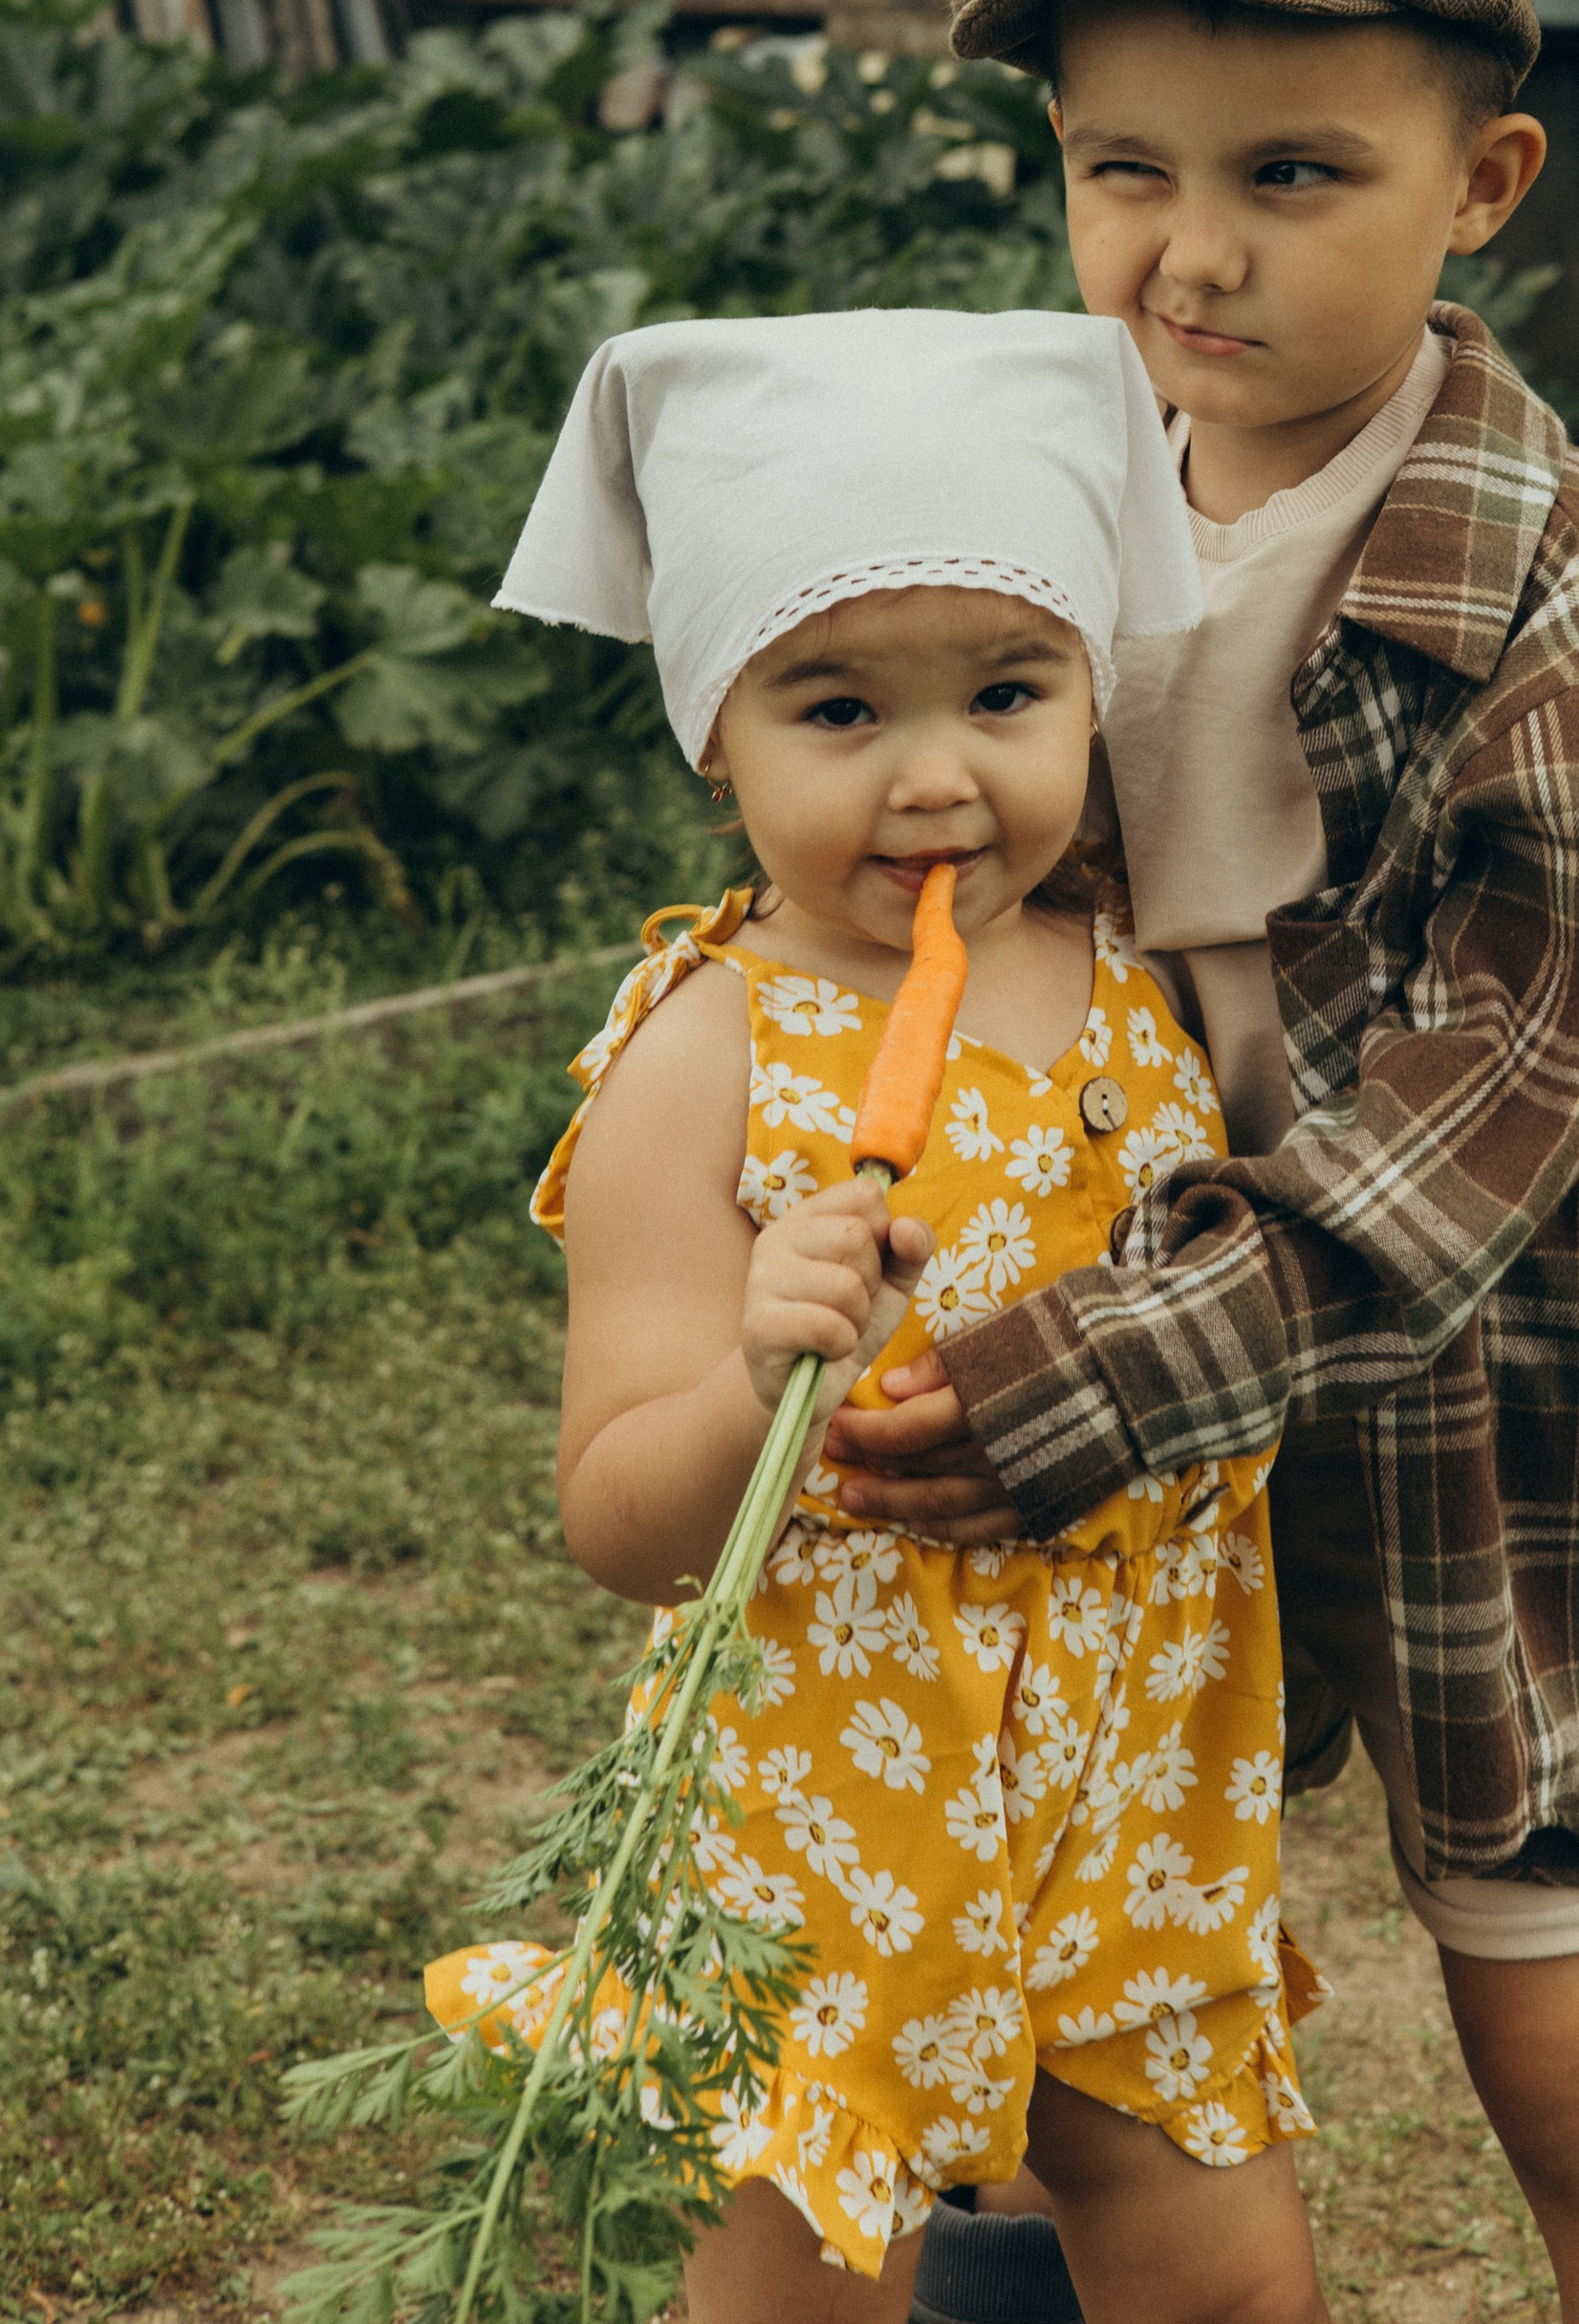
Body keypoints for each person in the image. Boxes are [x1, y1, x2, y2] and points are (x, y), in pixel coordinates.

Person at [831, 0, 1579, 2324]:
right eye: (1121, 169)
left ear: (1482, 187)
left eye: (1288, 176)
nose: (1190, 259)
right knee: (1058, 2036)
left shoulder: (1563, 620)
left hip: (1478, 1431)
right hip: (1117, 1403)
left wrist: (1095, 1372)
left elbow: (1456, 1168)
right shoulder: (1052, 502)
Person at [423, 308, 1326, 2324]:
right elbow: (612, 1518)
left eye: (1007, 693)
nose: (935, 778)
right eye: (835, 712)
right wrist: (756, 1381)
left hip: (1132, 1769)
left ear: (1093, 690)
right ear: (709, 735)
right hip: (827, 1791)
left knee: (1229, 2282)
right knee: (797, 2291)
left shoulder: (1133, 982)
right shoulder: (711, 1055)